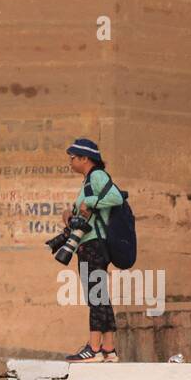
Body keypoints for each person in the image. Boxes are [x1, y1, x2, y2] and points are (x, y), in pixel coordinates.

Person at [62, 138, 124, 363]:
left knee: (95, 295)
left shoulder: (97, 176)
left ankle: (94, 348)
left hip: (94, 244)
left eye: (73, 157)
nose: (70, 162)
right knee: (101, 295)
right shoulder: (89, 180)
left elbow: (116, 197)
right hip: (92, 243)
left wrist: (87, 202)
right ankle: (108, 348)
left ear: (85, 158)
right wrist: (71, 214)